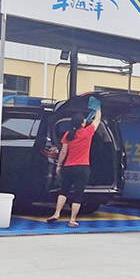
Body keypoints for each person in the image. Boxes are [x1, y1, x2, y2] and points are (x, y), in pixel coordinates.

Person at [47, 97, 102, 228]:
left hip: (68, 167)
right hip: (82, 168)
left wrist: (59, 165)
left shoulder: (68, 134)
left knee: (63, 191)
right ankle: (72, 220)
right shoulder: (87, 132)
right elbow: (97, 120)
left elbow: (63, 152)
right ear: (83, 123)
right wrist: (98, 108)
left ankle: (56, 213)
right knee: (78, 194)